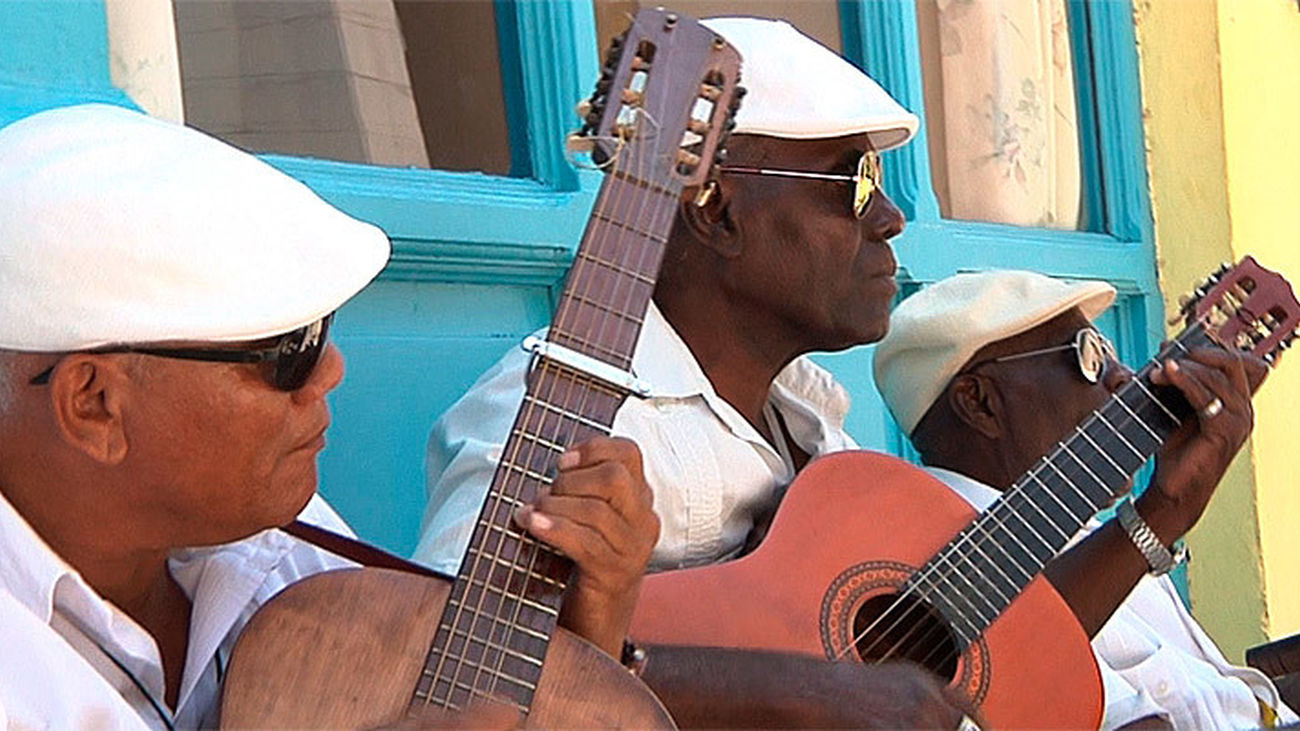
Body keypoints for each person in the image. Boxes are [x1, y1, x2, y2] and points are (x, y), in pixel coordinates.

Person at [0, 103, 657, 728]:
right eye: (291, 349)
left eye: (323, 327)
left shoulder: (261, 532)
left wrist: (591, 624)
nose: (331, 370)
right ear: (95, 404)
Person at [412, 16, 982, 728]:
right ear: (715, 211)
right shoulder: (555, 423)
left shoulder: (809, 419)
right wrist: (800, 691)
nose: (892, 217)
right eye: (856, 182)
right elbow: (456, 681)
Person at [872, 269, 1297, 729]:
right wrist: (1162, 515)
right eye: (1089, 355)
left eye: (1110, 352)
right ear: (980, 403)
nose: (1124, 377)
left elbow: (1226, 706)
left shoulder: (1098, 536)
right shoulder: (945, 582)